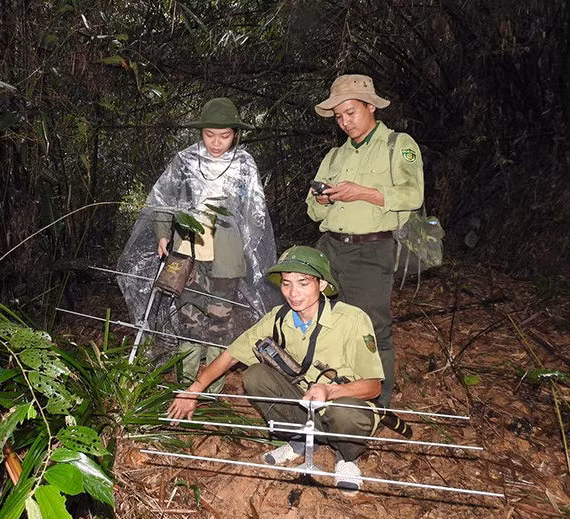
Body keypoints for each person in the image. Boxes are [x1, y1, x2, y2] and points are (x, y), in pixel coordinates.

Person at [168, 246, 385, 491]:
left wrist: (330, 391)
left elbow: (374, 386)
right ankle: (300, 440)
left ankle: (346, 457)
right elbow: (230, 356)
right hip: (304, 402)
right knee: (255, 375)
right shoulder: (278, 318)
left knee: (345, 412)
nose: (293, 293)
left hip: (344, 406)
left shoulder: (352, 319)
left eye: (303, 283)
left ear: (322, 284)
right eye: (286, 284)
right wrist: (193, 391)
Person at [117, 98, 278, 391]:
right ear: (200, 131)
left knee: (220, 324)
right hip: (188, 255)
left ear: (235, 134)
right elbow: (163, 200)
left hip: (227, 260)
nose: (216, 142)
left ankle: (211, 392)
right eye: (209, 134)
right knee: (189, 321)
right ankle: (185, 387)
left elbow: (256, 212)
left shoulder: (244, 164)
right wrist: (163, 234)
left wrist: (248, 247)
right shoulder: (185, 161)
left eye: (224, 135)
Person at [305, 74, 424, 408]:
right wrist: (323, 200)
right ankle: (330, 389)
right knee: (321, 318)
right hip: (330, 248)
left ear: (371, 106)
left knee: (371, 327)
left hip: (371, 249)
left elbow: (413, 194)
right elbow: (312, 210)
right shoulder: (335, 156)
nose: (345, 122)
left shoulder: (397, 145)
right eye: (338, 116)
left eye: (351, 112)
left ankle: (377, 404)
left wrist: (362, 192)